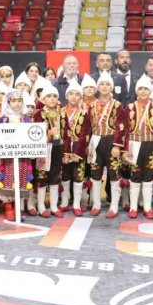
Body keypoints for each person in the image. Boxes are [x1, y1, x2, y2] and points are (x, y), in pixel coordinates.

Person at [115, 79, 153, 219]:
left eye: (146, 89)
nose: (143, 91)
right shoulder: (129, 108)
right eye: (141, 88)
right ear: (136, 91)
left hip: (151, 145)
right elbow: (124, 130)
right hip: (134, 145)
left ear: (151, 91)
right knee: (135, 175)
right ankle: (133, 207)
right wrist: (124, 150)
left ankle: (148, 208)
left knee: (149, 175)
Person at [0, 90, 35, 220]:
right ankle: (8, 207)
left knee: (21, 178)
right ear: (8, 102)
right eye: (14, 101)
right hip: (7, 157)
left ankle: (18, 207)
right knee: (7, 178)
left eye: (19, 101)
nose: (17, 104)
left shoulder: (27, 120)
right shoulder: (2, 120)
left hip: (22, 156)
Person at [87, 74, 124, 217]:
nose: (104, 87)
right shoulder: (92, 105)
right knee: (95, 173)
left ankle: (114, 206)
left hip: (111, 141)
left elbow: (121, 127)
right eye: (101, 84)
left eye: (107, 84)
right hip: (96, 141)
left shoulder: (117, 105)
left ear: (111, 87)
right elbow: (87, 127)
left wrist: (117, 145)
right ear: (97, 87)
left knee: (113, 172)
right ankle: (96, 204)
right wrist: (87, 145)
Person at [61, 81, 91, 215]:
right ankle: (64, 201)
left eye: (77, 94)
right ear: (66, 96)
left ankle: (77, 204)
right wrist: (64, 152)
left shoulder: (84, 114)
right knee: (65, 176)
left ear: (81, 97)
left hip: (79, 150)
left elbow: (86, 134)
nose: (73, 97)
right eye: (71, 94)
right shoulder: (60, 112)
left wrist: (78, 153)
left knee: (78, 176)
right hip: (63, 150)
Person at [35, 85, 65, 218]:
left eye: (54, 96)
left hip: (58, 147)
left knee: (55, 176)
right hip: (43, 148)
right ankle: (41, 206)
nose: (52, 99)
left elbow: (67, 130)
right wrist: (47, 133)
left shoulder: (62, 112)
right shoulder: (38, 114)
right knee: (42, 176)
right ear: (43, 99)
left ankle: (53, 206)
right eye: (49, 96)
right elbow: (34, 132)